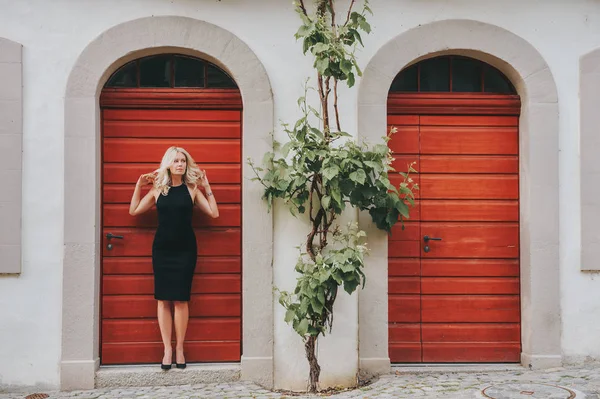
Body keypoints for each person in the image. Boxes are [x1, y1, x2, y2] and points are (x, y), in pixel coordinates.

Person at [128, 146, 219, 370]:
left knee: (180, 299)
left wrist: (206, 187)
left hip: (185, 249)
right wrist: (139, 186)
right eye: (176, 160)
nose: (180, 164)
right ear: (168, 164)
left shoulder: (192, 189)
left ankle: (180, 348)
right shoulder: (158, 190)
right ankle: (167, 349)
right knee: (163, 299)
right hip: (163, 250)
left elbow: (214, 213)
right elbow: (134, 211)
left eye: (183, 161)